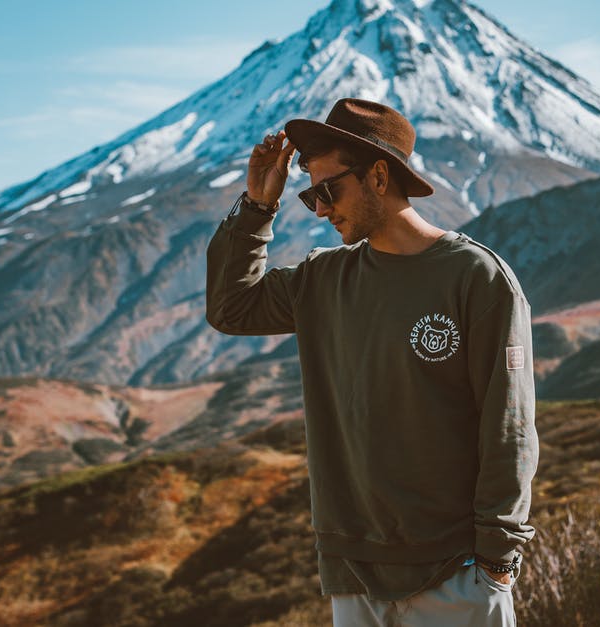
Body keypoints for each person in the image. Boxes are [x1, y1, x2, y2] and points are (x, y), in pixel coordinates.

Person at [205, 97, 538, 626]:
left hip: (456, 571)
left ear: (380, 176)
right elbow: (230, 307)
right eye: (310, 195)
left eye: (328, 190)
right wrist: (256, 206)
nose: (319, 209)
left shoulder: (476, 278)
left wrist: (497, 560)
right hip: (352, 575)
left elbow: (509, 426)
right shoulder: (322, 279)